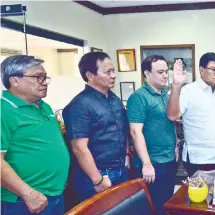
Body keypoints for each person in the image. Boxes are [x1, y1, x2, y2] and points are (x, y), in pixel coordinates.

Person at [1, 55, 70, 215]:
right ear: (14, 81)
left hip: (54, 195)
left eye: (45, 77)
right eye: (38, 77)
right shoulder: (4, 111)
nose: (44, 82)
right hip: (24, 200)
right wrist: (28, 194)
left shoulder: (44, 106)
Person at [63, 52, 130, 201]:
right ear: (90, 75)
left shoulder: (114, 99)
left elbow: (122, 129)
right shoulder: (80, 105)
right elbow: (79, 147)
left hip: (120, 168)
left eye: (113, 71)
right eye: (108, 72)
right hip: (99, 174)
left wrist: (126, 156)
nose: (113, 75)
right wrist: (98, 180)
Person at [167, 52, 215, 177]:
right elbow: (172, 116)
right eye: (214, 70)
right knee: (199, 195)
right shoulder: (188, 91)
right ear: (201, 70)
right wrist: (176, 86)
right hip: (198, 158)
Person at [127, 55, 178, 214]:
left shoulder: (165, 94)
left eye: (166, 72)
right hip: (153, 163)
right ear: (147, 74)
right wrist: (146, 163)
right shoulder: (138, 97)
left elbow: (170, 122)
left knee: (166, 204)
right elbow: (135, 132)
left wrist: (175, 145)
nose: (165, 75)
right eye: (160, 72)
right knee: (152, 207)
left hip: (168, 159)